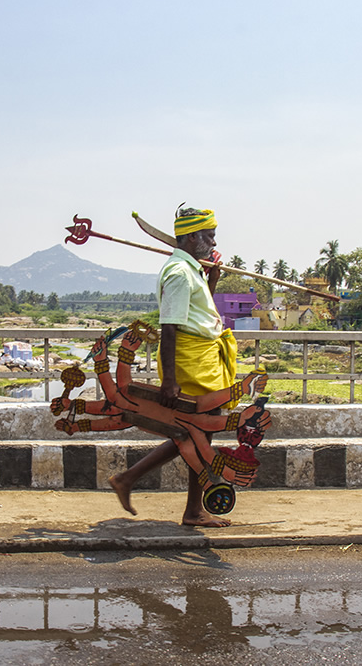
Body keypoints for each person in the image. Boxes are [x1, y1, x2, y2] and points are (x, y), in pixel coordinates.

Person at [109, 206, 239, 528]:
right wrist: (170, 381)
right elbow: (170, 327)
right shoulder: (179, 273)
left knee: (193, 433)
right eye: (209, 235)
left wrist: (213, 279)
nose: (213, 241)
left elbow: (199, 314)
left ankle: (128, 480)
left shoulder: (191, 269)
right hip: (191, 364)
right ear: (192, 237)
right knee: (200, 433)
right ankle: (192, 511)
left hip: (203, 360)